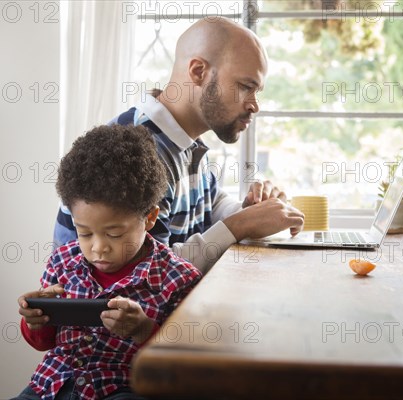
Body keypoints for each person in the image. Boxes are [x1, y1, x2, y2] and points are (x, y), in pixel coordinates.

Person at [54, 16, 305, 274]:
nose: (254, 105)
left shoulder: (184, 139)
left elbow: (209, 202)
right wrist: (240, 225)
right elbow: (150, 273)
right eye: (244, 87)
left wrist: (251, 210)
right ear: (198, 72)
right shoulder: (137, 152)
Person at [14, 125, 202, 400]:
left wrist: (143, 330)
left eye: (115, 234)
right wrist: (36, 321)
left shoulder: (178, 279)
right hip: (50, 387)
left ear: (150, 218)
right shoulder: (62, 262)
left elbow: (183, 364)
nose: (98, 247)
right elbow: (44, 343)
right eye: (85, 233)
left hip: (122, 389)